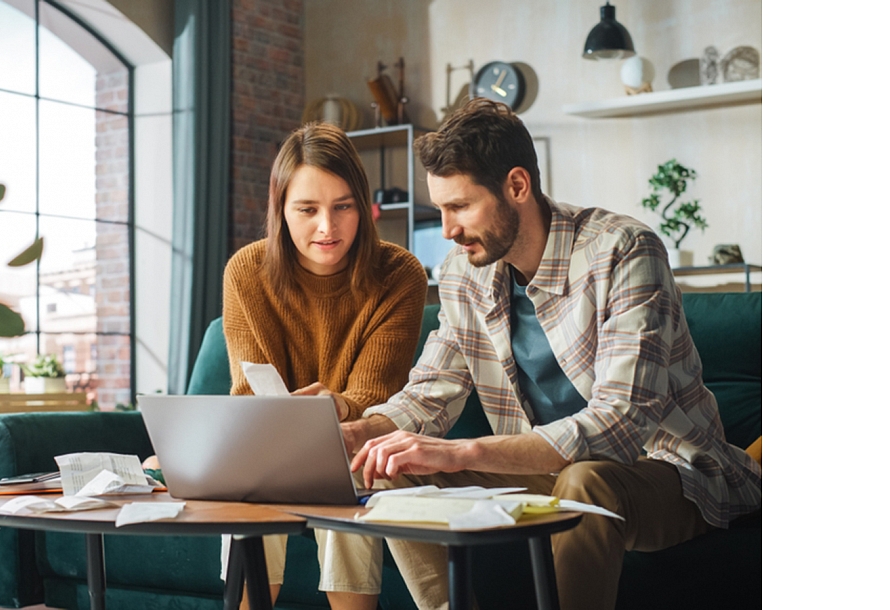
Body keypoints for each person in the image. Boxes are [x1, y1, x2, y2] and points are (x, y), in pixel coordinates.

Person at [335, 98, 763, 610]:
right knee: (388, 465)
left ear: (517, 186)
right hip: (542, 470)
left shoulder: (624, 250)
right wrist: (361, 433)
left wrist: (465, 450)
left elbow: (621, 423)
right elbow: (430, 393)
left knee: (585, 481)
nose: (447, 229)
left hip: (667, 468)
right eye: (440, 209)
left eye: (461, 207)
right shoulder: (461, 273)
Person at [215, 122, 430, 610]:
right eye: (307, 210)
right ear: (281, 210)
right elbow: (249, 399)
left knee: (346, 471)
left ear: (364, 206)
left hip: (355, 445)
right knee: (251, 479)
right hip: (267, 447)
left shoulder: (399, 274)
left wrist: (337, 407)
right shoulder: (246, 272)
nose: (327, 228)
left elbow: (376, 401)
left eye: (343, 207)